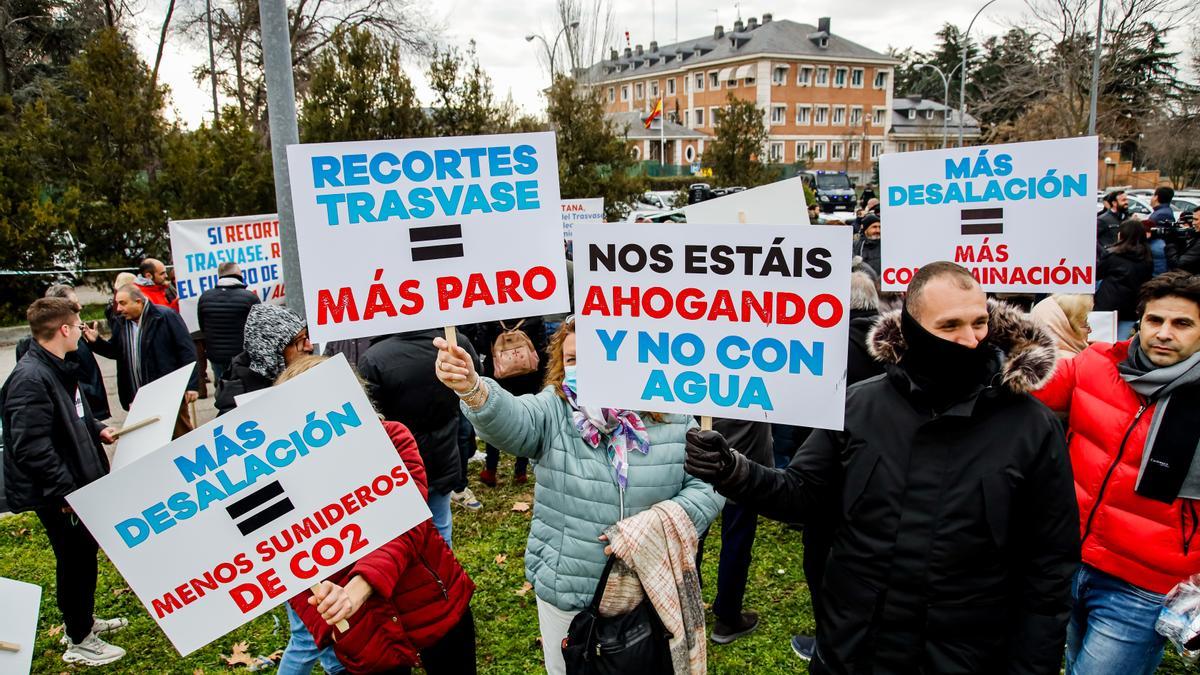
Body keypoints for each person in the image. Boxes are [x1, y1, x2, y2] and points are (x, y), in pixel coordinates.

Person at [685, 261, 1080, 673]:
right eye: (949, 326)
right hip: (855, 648)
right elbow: (802, 494)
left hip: (967, 654)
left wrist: (1033, 665)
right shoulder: (860, 405)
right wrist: (732, 469)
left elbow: (1050, 563)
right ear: (911, 327)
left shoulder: (1031, 426)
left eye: (979, 322)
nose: (970, 340)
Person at [434, 317, 723, 675]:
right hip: (569, 592)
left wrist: (657, 525)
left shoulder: (673, 415)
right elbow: (513, 420)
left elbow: (708, 485)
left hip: (650, 592)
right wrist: (474, 389)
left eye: (593, 357)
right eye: (571, 360)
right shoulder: (554, 409)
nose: (580, 369)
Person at [1034, 271, 1200, 675]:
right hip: (1072, 560)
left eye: (1182, 324)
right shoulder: (1097, 364)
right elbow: (1027, 388)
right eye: (1155, 321)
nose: (1164, 333)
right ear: (1138, 321)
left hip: (1143, 587)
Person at [280, 356, 477, 675]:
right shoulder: (285, 484)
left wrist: (358, 588)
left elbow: (408, 526)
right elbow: (280, 556)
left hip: (433, 607)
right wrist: (325, 614)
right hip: (365, 632)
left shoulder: (392, 440)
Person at [1, 298, 128, 665]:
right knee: (74, 562)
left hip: (75, 489)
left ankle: (83, 623)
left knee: (83, 557)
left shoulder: (56, 368)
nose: (82, 330)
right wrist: (66, 493)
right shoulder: (30, 380)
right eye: (78, 324)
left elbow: (72, 416)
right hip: (59, 496)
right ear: (64, 329)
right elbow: (31, 447)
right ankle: (79, 642)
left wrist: (98, 429)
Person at [358, 330, 481, 548]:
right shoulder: (452, 342)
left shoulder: (373, 358)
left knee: (404, 537)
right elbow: (476, 378)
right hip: (443, 454)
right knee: (441, 525)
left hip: (401, 462)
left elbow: (366, 413)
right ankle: (445, 578)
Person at [90, 285, 198, 436]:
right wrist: (96, 342)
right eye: (117, 303)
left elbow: (187, 351)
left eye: (123, 303)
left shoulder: (165, 316)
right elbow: (117, 352)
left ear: (139, 301)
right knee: (150, 439)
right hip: (138, 396)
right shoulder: (120, 323)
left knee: (180, 436)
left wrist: (191, 385)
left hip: (168, 391)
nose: (119, 308)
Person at [700, 418, 772, 645]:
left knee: (697, 537)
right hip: (738, 464)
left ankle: (700, 609)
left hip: (714, 462)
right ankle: (727, 617)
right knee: (735, 543)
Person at [462, 318, 549, 487]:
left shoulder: (492, 315)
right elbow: (542, 346)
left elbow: (481, 345)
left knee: (494, 416)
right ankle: (521, 471)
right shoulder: (534, 315)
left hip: (498, 375)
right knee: (527, 416)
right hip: (529, 376)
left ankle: (491, 470)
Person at [16, 285, 110, 421]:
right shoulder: (32, 374)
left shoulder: (73, 335)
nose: (80, 306)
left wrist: (96, 427)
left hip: (86, 415)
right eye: (74, 302)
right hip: (77, 414)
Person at [215, 304, 313, 416]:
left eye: (307, 337)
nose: (310, 347)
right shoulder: (236, 409)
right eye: (299, 341)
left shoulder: (299, 377)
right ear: (271, 351)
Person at [196, 262, 260, 387]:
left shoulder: (205, 297)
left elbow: (203, 327)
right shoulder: (250, 298)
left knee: (223, 391)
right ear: (238, 275)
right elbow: (259, 328)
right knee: (245, 389)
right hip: (243, 356)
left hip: (216, 355)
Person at [1096, 220, 1155, 339]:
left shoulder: (1112, 255)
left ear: (1121, 235)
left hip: (1106, 305)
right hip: (1131, 308)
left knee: (1099, 344)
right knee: (1122, 346)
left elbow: (1097, 274)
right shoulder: (1147, 258)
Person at [1031, 294, 1094, 360]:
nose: (1090, 330)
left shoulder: (1032, 362)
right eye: (1084, 323)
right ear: (1061, 327)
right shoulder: (1072, 364)